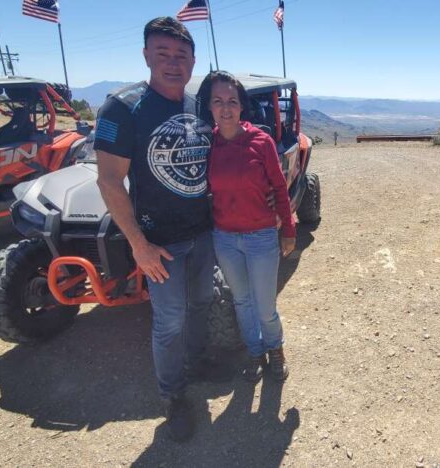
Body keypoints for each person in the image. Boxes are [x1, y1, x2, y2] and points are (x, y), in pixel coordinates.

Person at [94, 17, 212, 442]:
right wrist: (138, 246)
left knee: (201, 303)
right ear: (146, 56)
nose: (173, 63)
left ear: (193, 61)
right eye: (162, 54)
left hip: (203, 233)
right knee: (169, 322)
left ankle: (197, 363)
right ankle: (174, 396)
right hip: (159, 243)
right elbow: (109, 181)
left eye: (181, 56)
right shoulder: (123, 108)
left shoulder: (197, 105)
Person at [197, 71, 296, 383]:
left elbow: (279, 188)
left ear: (242, 107)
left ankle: (275, 349)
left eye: (232, 101)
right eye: (218, 102)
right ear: (210, 107)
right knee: (241, 301)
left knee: (265, 305)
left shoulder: (261, 142)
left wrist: (289, 228)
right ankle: (255, 351)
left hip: (261, 237)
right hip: (225, 238)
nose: (225, 108)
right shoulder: (206, 145)